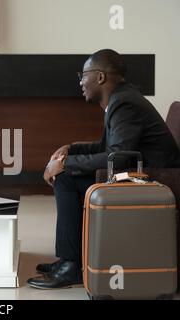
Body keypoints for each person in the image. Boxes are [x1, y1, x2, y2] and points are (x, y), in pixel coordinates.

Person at [27, 49, 180, 290]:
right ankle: (70, 260)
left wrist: (64, 164)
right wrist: (71, 149)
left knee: (67, 178)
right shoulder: (121, 99)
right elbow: (108, 148)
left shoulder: (124, 102)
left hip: (155, 181)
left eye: (83, 75)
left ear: (99, 77)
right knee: (69, 175)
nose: (80, 82)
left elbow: (115, 159)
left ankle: (72, 265)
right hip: (141, 171)